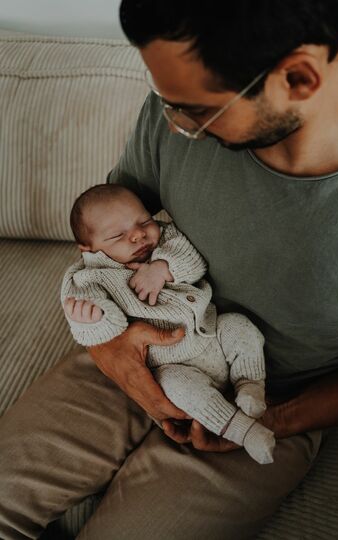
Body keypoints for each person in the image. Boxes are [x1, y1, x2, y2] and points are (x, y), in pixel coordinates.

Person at [0, 1, 338, 539]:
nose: (171, 123)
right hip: (135, 342)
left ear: (298, 77)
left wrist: (278, 421)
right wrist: (111, 348)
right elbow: (105, 236)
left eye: (192, 111)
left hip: (268, 401)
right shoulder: (174, 107)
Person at [61, 184, 275, 464]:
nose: (138, 234)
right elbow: (107, 334)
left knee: (238, 326)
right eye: (118, 236)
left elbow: (193, 258)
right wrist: (92, 319)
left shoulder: (165, 240)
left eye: (144, 221)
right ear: (87, 248)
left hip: (212, 333)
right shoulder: (87, 280)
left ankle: (250, 386)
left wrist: (163, 269)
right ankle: (244, 430)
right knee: (178, 387)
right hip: (170, 366)